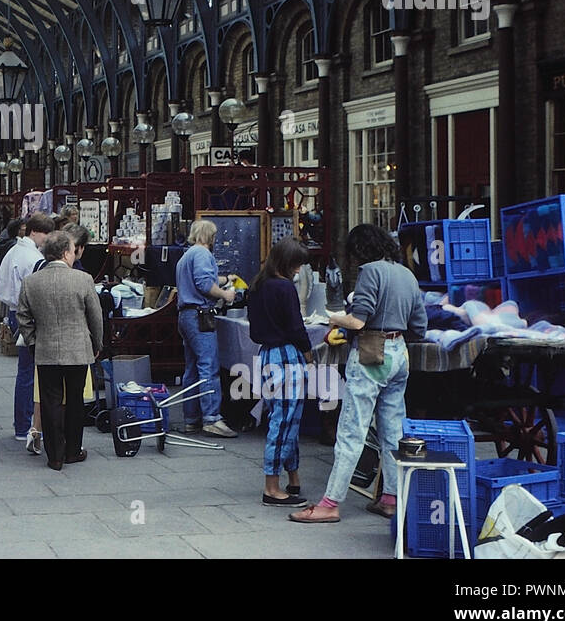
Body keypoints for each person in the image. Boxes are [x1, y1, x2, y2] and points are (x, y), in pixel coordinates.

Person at [290, 224, 427, 525]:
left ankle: (329, 503)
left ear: (361, 250)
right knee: (393, 431)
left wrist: (331, 316)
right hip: (399, 354)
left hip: (370, 353)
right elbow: (420, 326)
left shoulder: (370, 272)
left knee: (352, 430)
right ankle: (391, 498)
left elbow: (357, 321)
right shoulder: (407, 274)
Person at [17, 231, 103, 471]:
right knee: (75, 400)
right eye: (73, 250)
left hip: (45, 349)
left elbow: (22, 315)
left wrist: (33, 341)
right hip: (77, 349)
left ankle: (54, 456)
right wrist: (97, 343)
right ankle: (73, 451)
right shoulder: (83, 279)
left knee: (50, 400)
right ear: (66, 253)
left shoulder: (31, 281)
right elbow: (95, 317)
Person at [247, 236, 313, 506]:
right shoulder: (284, 288)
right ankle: (272, 487)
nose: (299, 269)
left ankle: (293, 478)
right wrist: (308, 352)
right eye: (296, 264)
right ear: (286, 262)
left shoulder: (257, 285)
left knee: (284, 418)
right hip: (287, 356)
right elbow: (296, 326)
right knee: (285, 422)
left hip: (267, 356)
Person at [175, 219, 238, 439]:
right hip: (200, 315)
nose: (215, 240)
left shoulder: (187, 255)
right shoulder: (202, 254)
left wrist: (224, 279)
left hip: (185, 315)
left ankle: (191, 419)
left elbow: (200, 279)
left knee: (192, 369)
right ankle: (212, 419)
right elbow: (203, 284)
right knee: (208, 366)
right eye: (213, 236)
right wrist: (226, 293)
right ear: (208, 236)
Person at [0, 213, 54, 443]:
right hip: (26, 314)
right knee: (28, 373)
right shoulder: (31, 257)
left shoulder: (14, 251)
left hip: (14, 310)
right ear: (34, 232)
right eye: (45, 234)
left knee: (26, 372)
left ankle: (22, 423)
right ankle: (23, 424)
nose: (47, 239)